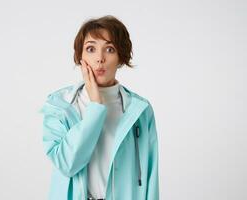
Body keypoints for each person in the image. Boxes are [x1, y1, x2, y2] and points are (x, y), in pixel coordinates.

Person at [39, 15, 159, 200]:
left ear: (120, 58)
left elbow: (151, 177)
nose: (99, 58)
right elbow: (67, 164)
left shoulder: (140, 110)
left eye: (109, 49)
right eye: (91, 49)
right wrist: (95, 106)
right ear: (80, 57)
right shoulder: (59, 106)